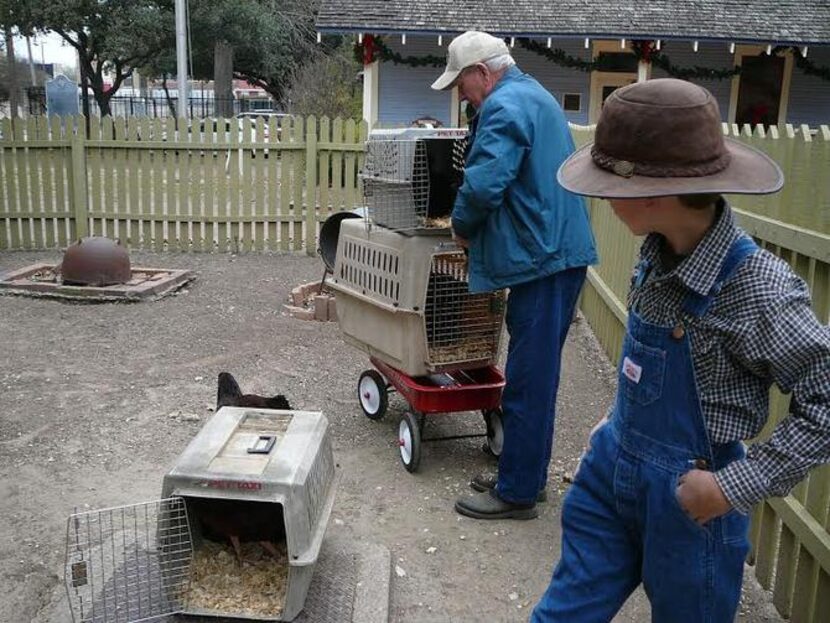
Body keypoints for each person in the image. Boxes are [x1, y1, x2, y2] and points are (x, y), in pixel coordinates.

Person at [531, 78, 830, 621]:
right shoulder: (656, 249)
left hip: (691, 506)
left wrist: (731, 486)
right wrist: (614, 423)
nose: (600, 196)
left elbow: (826, 401)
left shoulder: (760, 289)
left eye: (608, 184)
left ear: (653, 192)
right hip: (609, 478)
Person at [431, 31, 598, 520]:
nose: (461, 95)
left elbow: (483, 184)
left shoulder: (504, 106)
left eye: (461, 85)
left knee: (527, 380)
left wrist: (461, 227)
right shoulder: (534, 95)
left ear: (483, 72)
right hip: (553, 255)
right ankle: (526, 475)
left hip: (543, 260)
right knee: (537, 375)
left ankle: (518, 492)